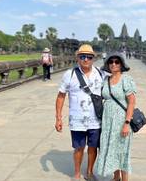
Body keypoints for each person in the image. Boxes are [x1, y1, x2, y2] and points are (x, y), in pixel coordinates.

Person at [55, 44, 104, 181]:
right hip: (77, 120)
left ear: (93, 58)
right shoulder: (69, 75)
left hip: (96, 120)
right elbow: (61, 96)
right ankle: (77, 173)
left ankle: (89, 172)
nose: (86, 60)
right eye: (82, 56)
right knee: (79, 148)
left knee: (93, 148)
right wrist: (58, 118)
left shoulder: (101, 74)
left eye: (89, 57)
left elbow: (115, 83)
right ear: (77, 58)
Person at [95, 52, 136, 181]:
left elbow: (132, 102)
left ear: (121, 64)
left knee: (122, 151)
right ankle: (116, 177)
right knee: (111, 149)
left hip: (121, 121)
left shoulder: (126, 79)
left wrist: (127, 123)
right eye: (111, 62)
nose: (113, 64)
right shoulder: (105, 80)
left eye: (116, 62)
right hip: (108, 122)